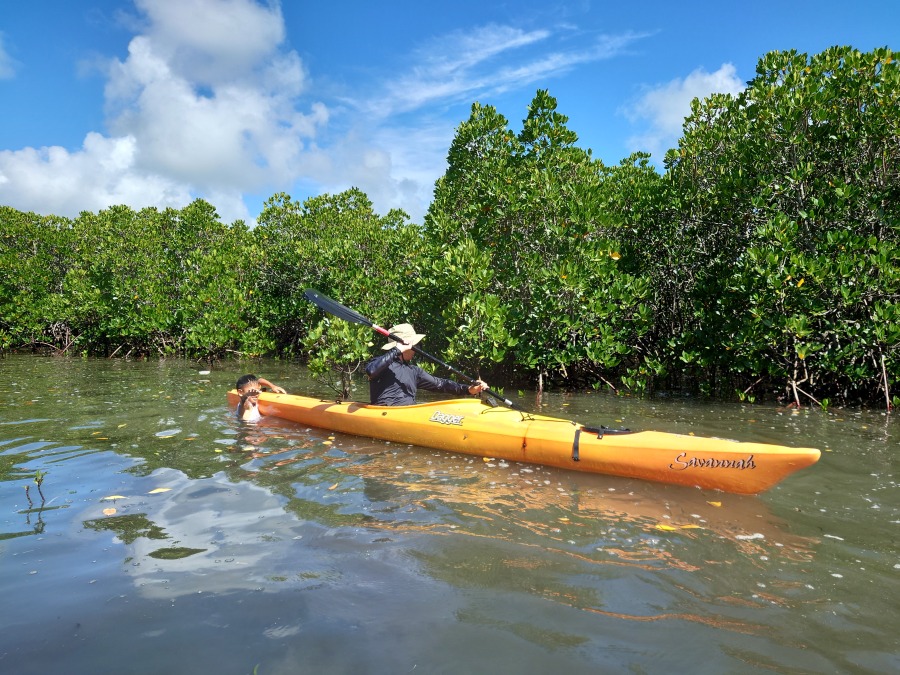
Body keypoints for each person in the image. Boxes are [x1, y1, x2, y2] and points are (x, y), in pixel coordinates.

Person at [365, 323, 488, 406]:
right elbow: (371, 371)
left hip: (408, 415)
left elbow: (441, 384)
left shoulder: (414, 372)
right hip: (384, 414)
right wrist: (397, 350)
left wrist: (468, 389)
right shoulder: (380, 364)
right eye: (415, 345)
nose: (416, 348)